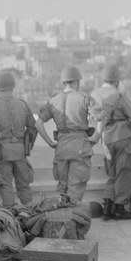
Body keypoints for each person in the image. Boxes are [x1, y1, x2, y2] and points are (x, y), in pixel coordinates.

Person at [35, 66, 101, 202]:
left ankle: (61, 221)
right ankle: (72, 222)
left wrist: (50, 142)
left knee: (62, 189)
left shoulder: (53, 101)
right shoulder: (84, 98)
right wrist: (95, 137)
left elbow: (38, 124)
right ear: (76, 82)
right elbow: (102, 118)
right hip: (80, 148)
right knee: (75, 191)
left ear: (64, 82)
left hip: (61, 149)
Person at [90, 64, 131, 220]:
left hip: (107, 138)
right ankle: (119, 208)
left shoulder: (94, 94)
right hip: (123, 137)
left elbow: (95, 118)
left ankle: (107, 206)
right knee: (124, 173)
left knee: (112, 173)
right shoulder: (119, 95)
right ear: (116, 81)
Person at [0, 71, 38, 209]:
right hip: (20, 151)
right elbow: (32, 128)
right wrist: (27, 147)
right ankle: (29, 217)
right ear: (14, 85)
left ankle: (12, 218)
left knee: (6, 187)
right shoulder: (23, 104)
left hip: (1, 153)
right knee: (24, 186)